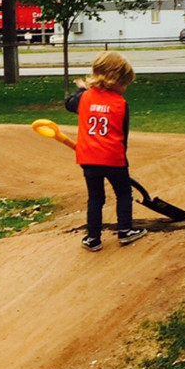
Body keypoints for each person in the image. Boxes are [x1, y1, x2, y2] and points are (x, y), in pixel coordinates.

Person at [65, 51, 147, 252]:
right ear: (115, 80)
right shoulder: (120, 104)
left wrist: (81, 89)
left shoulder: (84, 98)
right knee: (123, 193)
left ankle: (93, 238)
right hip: (113, 158)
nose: (125, 88)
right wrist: (122, 159)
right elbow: (123, 135)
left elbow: (69, 104)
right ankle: (125, 231)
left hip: (88, 158)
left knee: (95, 197)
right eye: (124, 84)